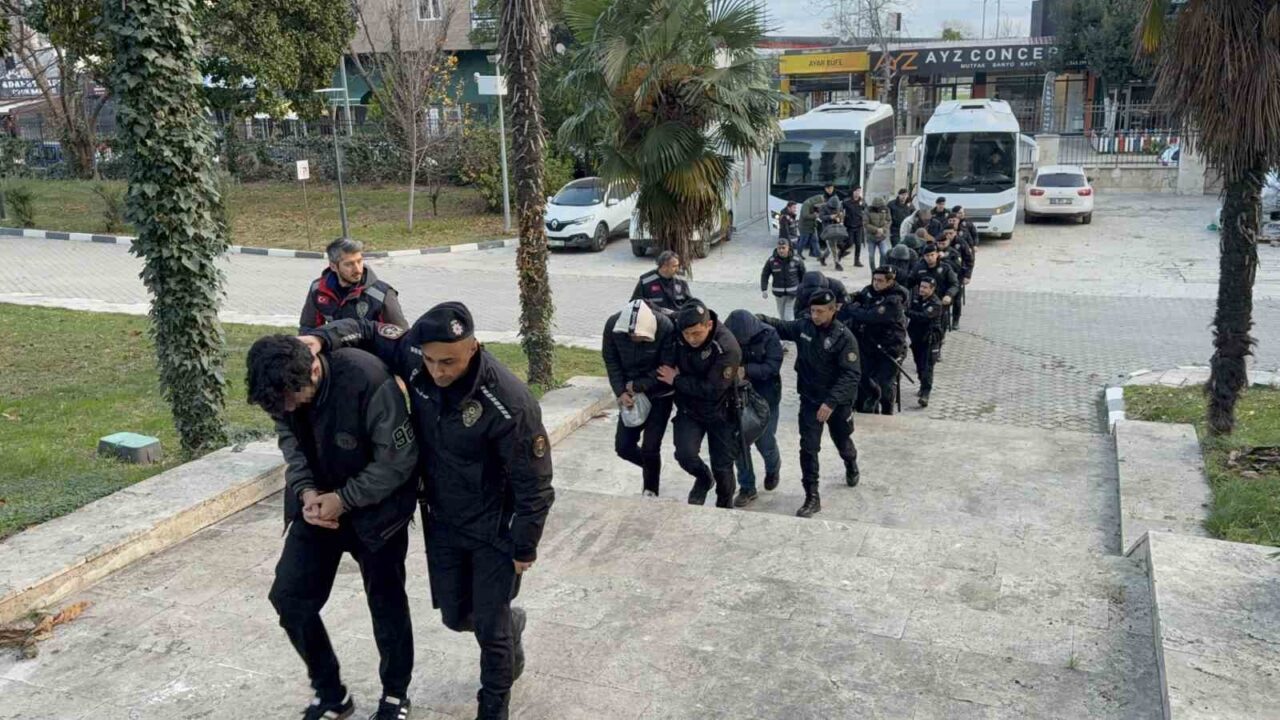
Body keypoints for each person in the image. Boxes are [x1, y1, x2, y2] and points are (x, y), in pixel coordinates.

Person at [304, 303, 555, 720]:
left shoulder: (509, 402)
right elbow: (367, 329)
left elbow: (536, 486)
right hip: (442, 522)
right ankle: (512, 627)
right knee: (457, 618)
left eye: (450, 361)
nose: (438, 371)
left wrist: (524, 547)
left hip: (495, 528)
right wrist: (320, 339)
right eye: (432, 360)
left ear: (473, 347)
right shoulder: (416, 355)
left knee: (489, 633)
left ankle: (493, 706)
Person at [248, 335, 419, 720]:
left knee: (386, 602)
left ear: (312, 366)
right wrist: (307, 491)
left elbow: (398, 461)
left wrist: (344, 499)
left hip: (378, 510)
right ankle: (331, 693)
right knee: (289, 598)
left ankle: (395, 694)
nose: (287, 408)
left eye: (293, 398)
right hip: (319, 506)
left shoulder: (368, 380)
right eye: (279, 405)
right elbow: (290, 442)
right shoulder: (280, 388)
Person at [759, 289, 861, 518]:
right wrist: (759, 319)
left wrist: (831, 402)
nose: (815, 315)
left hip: (837, 404)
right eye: (812, 311)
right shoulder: (804, 327)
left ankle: (851, 463)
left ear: (833, 310)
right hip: (810, 400)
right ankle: (812, 496)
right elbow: (782, 326)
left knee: (842, 441)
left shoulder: (844, 338)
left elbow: (851, 375)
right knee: (808, 448)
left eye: (820, 311)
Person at [658, 299, 742, 509]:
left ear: (709, 325)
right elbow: (655, 311)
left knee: (722, 466)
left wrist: (677, 380)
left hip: (721, 410)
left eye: (696, 333)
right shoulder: (679, 328)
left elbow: (712, 390)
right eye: (686, 334)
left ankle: (724, 505)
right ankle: (704, 478)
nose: (691, 339)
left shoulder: (727, 347)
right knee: (684, 454)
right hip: (689, 408)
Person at [602, 299, 676, 497]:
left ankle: (650, 490)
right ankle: (652, 469)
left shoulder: (665, 327)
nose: (635, 339)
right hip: (630, 395)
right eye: (632, 336)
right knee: (623, 446)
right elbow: (611, 360)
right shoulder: (612, 326)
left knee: (651, 446)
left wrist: (637, 385)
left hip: (659, 394)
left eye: (642, 338)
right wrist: (620, 392)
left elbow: (667, 365)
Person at [725, 310, 783, 507]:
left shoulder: (769, 335)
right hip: (738, 396)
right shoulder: (726, 336)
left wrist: (746, 370)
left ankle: (773, 467)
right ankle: (747, 487)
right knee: (740, 443)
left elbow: (773, 366)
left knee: (765, 441)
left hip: (766, 397)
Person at [300, 237, 408, 333]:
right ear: (333, 267)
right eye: (349, 264)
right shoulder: (318, 289)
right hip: (335, 350)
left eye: (359, 261)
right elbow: (308, 328)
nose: (357, 269)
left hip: (371, 354)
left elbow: (400, 336)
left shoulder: (383, 294)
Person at [842, 267, 908, 415]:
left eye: (880, 281)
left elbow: (870, 316)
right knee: (862, 378)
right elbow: (858, 296)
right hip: (869, 345)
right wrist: (848, 299)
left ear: (890, 281)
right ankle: (869, 406)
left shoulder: (894, 300)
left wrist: (851, 309)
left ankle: (886, 412)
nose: (876, 283)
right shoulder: (870, 290)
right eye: (874, 279)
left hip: (889, 348)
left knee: (885, 384)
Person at [906, 276, 945, 408]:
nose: (921, 290)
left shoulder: (935, 303)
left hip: (930, 339)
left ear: (932, 289)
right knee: (919, 365)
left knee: (927, 366)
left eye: (925, 288)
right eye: (921, 287)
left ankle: (925, 394)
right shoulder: (918, 299)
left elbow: (923, 317)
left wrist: (907, 312)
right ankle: (922, 385)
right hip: (917, 338)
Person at [632, 251, 691, 316]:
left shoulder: (681, 280)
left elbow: (690, 302)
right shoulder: (646, 281)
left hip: (678, 318)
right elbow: (634, 302)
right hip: (656, 319)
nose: (678, 269)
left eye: (678, 266)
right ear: (664, 267)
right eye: (674, 266)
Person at [760, 237, 806, 321]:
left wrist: (803, 289)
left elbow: (803, 274)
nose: (781, 250)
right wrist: (764, 289)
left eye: (783, 248)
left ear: (788, 248)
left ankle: (789, 331)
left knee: (788, 316)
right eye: (779, 248)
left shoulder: (797, 260)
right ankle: (785, 330)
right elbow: (765, 274)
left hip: (793, 293)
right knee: (781, 314)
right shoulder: (771, 261)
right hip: (779, 294)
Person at [864, 196, 892, 275]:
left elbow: (888, 221)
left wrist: (883, 229)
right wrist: (876, 230)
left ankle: (881, 270)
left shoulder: (886, 210)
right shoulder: (868, 210)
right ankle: (873, 271)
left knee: (884, 253)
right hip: (871, 237)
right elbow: (866, 224)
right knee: (871, 256)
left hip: (882, 236)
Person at [842, 189, 866, 268]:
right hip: (850, 225)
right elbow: (840, 209)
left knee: (858, 244)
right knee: (850, 243)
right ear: (853, 192)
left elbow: (866, 210)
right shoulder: (847, 201)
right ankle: (841, 252)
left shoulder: (862, 201)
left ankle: (857, 261)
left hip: (859, 226)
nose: (857, 193)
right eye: (856, 191)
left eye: (859, 191)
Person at [818, 196, 845, 269]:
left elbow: (842, 214)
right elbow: (821, 217)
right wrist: (830, 217)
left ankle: (822, 257)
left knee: (831, 246)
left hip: (836, 228)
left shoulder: (839, 206)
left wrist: (840, 219)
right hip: (827, 229)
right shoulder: (823, 206)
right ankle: (837, 263)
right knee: (833, 246)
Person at [797, 194, 825, 259]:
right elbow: (805, 215)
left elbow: (818, 211)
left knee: (815, 240)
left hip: (812, 226)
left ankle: (818, 254)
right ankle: (798, 254)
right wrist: (815, 215)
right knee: (803, 241)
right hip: (804, 227)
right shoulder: (807, 204)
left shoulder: (815, 205)